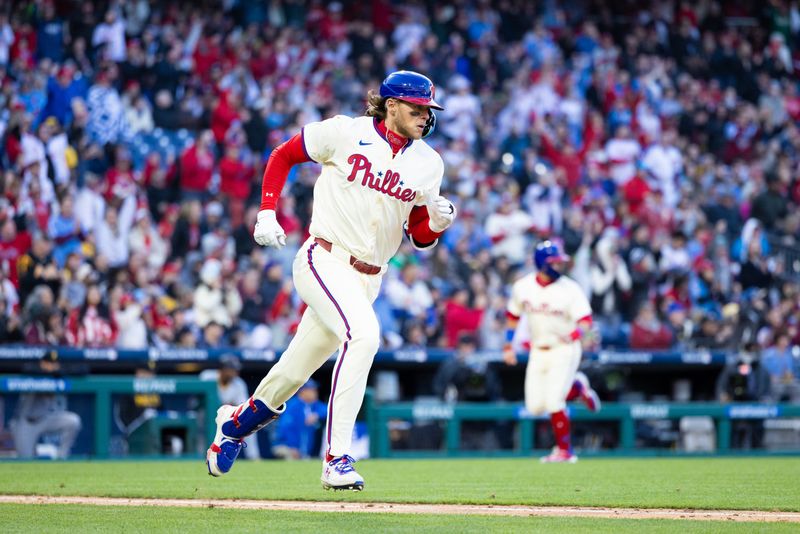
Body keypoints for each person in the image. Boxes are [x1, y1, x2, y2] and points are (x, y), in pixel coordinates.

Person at [206, 71, 457, 491]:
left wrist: (436, 222)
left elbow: (418, 235)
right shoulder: (345, 132)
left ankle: (232, 426)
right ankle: (337, 456)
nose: (424, 117)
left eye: (428, 110)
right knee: (364, 337)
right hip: (324, 259)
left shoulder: (429, 163)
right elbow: (283, 154)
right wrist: (267, 211)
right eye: (416, 108)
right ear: (391, 105)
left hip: (370, 278)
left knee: (293, 372)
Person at [502, 240, 598, 463]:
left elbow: (586, 322)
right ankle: (576, 387)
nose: (559, 266)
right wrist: (508, 345)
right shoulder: (523, 286)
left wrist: (574, 336)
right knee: (535, 406)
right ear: (541, 263)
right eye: (554, 262)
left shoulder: (570, 288)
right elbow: (513, 316)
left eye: (559, 262)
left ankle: (565, 451)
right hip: (538, 349)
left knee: (555, 401)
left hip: (564, 348)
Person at [12, 353, 82, 459]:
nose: (52, 366)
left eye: (54, 364)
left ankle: (61, 456)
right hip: (26, 422)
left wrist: (57, 372)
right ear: (42, 363)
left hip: (46, 418)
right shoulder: (33, 372)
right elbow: (27, 369)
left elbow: (82, 370)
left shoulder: (56, 374)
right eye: (49, 363)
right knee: (25, 460)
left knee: (73, 421)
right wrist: (50, 372)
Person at [200, 355, 261, 459]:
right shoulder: (207, 377)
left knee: (248, 424)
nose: (234, 373)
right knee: (201, 424)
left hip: (226, 417)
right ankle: (200, 456)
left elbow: (243, 407)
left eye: (235, 370)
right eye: (231, 369)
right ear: (222, 369)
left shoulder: (238, 383)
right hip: (207, 416)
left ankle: (254, 457)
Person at [271, 379, 327, 460]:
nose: (315, 393)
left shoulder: (313, 405)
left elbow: (327, 409)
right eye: (311, 390)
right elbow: (286, 428)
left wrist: (316, 415)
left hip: (302, 449)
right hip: (285, 446)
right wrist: (292, 447)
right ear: (302, 391)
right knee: (291, 460)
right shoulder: (293, 405)